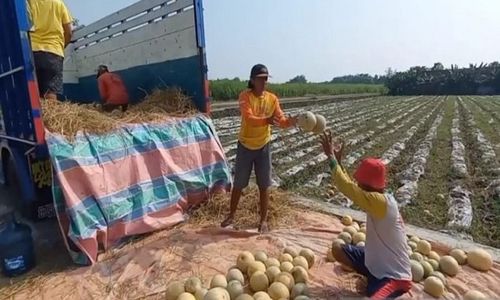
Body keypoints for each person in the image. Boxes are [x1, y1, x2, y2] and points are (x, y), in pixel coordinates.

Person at [320, 130, 412, 299]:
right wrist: (339, 163)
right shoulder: (377, 198)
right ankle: (370, 277)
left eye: (361, 183)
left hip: (394, 276)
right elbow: (351, 187)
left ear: (369, 186)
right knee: (337, 249)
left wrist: (331, 157)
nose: (359, 186)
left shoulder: (380, 202)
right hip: (373, 261)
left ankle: (378, 286)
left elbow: (348, 188)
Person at [221, 64, 297, 233]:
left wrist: (290, 122)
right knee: (239, 183)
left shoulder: (272, 98)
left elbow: (281, 120)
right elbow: (249, 118)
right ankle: (231, 215)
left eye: (266, 79)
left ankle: (263, 221)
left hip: (263, 145)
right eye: (261, 79)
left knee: (264, 184)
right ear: (252, 80)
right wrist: (267, 120)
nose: (264, 82)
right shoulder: (245, 96)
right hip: (245, 145)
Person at [28, 0, 73, 100]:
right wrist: (61, 46)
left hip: (32, 50)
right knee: (50, 91)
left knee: (32, 90)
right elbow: (69, 32)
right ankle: (51, 115)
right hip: (54, 51)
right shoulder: (59, 3)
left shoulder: (30, 2)